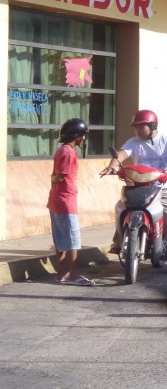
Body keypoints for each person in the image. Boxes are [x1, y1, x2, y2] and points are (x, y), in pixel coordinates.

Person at [100, 110, 167, 274]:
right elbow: (121, 154)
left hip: (164, 187)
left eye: (141, 127)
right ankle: (118, 241)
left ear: (152, 126)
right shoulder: (133, 142)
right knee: (121, 208)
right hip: (139, 186)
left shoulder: (165, 139)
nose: (138, 130)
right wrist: (112, 166)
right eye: (136, 127)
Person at [48, 119, 95, 286]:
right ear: (76, 136)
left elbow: (55, 176)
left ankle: (62, 274)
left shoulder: (61, 150)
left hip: (56, 200)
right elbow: (60, 176)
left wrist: (54, 179)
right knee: (72, 240)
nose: (84, 139)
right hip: (66, 201)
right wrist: (56, 179)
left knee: (60, 239)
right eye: (83, 135)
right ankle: (73, 275)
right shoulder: (69, 152)